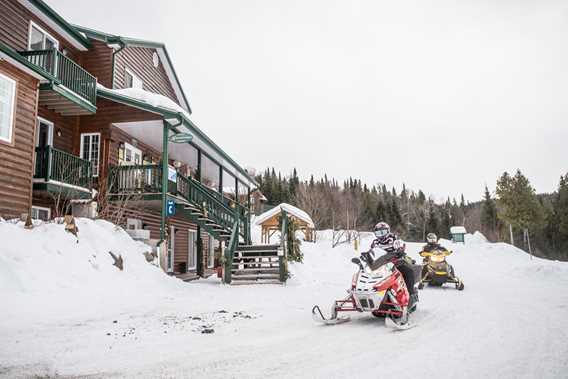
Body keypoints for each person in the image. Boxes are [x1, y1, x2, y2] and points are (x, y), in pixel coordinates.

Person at [364, 222, 418, 307]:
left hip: (395, 262)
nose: (381, 235)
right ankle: (367, 294)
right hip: (381, 265)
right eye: (378, 233)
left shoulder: (394, 238)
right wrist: (367, 257)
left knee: (408, 272)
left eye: (383, 232)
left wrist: (400, 251)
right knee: (366, 274)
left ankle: (410, 295)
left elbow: (400, 245)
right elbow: (372, 252)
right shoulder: (375, 242)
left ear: (388, 231)